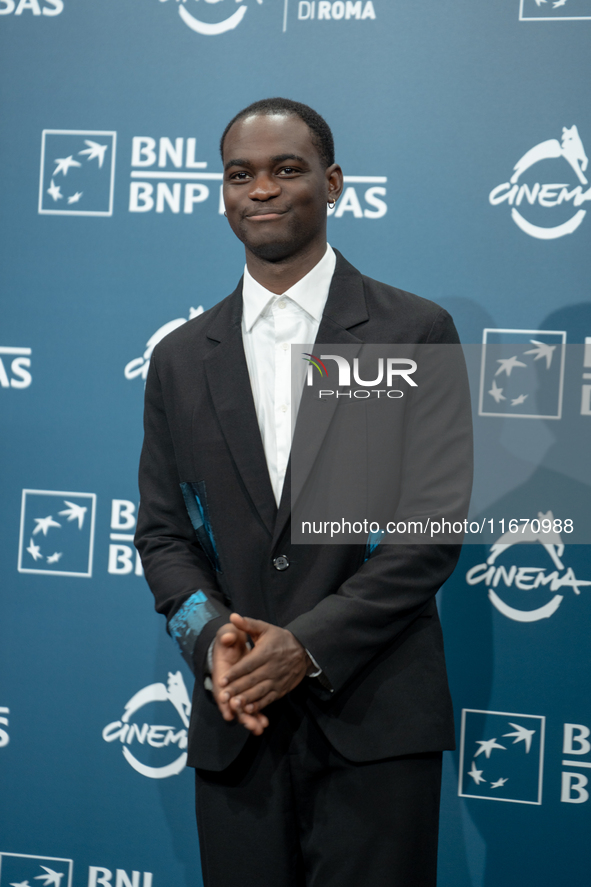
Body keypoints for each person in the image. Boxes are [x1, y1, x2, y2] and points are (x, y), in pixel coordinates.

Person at [135, 97, 471, 887]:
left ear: (333, 182)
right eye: (239, 174)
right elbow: (162, 536)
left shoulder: (413, 330)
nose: (261, 189)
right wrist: (212, 637)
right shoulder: (180, 357)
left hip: (374, 720)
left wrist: (308, 646)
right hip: (236, 721)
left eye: (286, 169)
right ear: (221, 192)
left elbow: (429, 532)